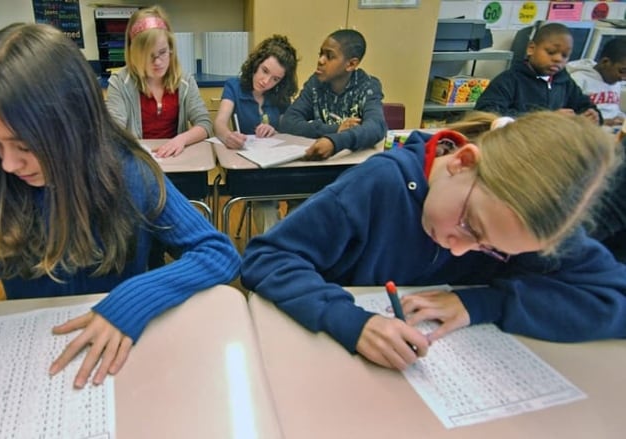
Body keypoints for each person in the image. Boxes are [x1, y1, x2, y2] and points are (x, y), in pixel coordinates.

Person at [0, 23, 240, 389]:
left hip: (121, 360)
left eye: (26, 146)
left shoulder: (130, 172)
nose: (8, 164)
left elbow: (218, 252)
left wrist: (132, 299)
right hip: (28, 360)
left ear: (76, 125)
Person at [241, 110, 626, 371]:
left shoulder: (534, 223)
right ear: (463, 162)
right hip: (338, 369)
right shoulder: (379, 185)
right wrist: (349, 320)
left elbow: (614, 300)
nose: (458, 249)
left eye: (492, 250)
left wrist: (485, 302)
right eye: (470, 225)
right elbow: (267, 257)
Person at [214, 34, 299, 232]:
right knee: (265, 204)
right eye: (264, 71)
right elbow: (219, 122)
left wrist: (276, 130)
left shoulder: (281, 95)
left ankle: (290, 246)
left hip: (280, 168)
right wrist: (228, 136)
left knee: (303, 199)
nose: (265, 81)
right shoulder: (234, 86)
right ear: (256, 63)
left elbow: (293, 128)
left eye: (275, 79)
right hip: (252, 171)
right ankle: (276, 251)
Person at [106, 5, 212, 158]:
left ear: (171, 48)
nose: (158, 62)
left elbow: (205, 124)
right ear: (134, 54)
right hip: (139, 160)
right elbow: (113, 131)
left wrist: (181, 140)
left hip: (175, 159)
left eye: (162, 52)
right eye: (149, 56)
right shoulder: (120, 83)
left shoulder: (185, 81)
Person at [279, 29, 387, 160]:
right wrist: (334, 130)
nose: (320, 60)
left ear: (351, 64)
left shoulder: (368, 86)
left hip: (355, 164)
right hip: (322, 164)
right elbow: (288, 122)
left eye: (329, 56)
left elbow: (376, 127)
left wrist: (335, 142)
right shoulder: (315, 84)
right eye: (321, 54)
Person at [475, 22, 601, 124]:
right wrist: (544, 119)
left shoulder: (564, 82)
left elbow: (583, 105)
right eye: (551, 52)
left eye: (565, 55)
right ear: (531, 49)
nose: (558, 59)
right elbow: (486, 115)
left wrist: (591, 115)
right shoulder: (509, 81)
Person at [568, 36, 626, 130]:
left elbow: (613, 110)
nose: (624, 78)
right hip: (590, 131)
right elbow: (570, 117)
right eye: (622, 71)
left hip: (614, 130)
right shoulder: (578, 79)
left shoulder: (616, 81)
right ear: (605, 62)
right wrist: (604, 122)